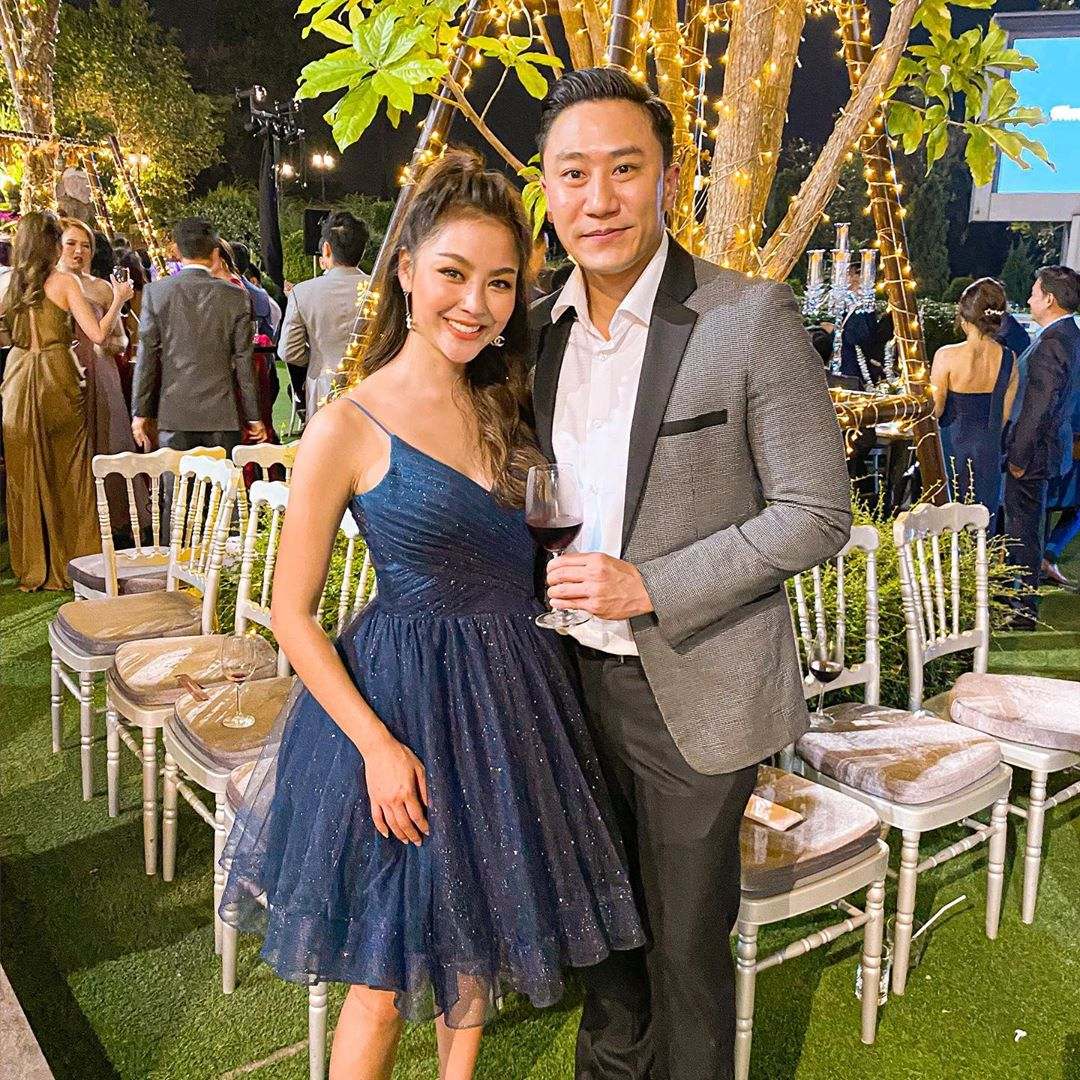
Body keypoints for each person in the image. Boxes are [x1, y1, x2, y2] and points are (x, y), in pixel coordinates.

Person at [220, 151, 643, 1080]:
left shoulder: (507, 403)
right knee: (381, 979)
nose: (476, 303)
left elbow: (535, 546)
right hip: (400, 705)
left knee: (477, 939)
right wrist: (376, 746)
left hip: (512, 701)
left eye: (500, 283)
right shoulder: (346, 425)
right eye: (454, 273)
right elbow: (291, 614)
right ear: (406, 269)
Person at [531, 69, 851, 1080]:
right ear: (547, 188)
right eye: (573, 173)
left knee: (684, 957)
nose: (599, 198)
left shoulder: (745, 317)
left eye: (624, 169)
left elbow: (817, 512)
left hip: (691, 691)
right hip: (560, 686)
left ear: (667, 179)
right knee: (604, 948)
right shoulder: (533, 332)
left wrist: (651, 584)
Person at [1, 211, 132, 590]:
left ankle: (32, 564)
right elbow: (97, 335)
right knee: (70, 469)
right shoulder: (64, 282)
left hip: (17, 376)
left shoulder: (12, 284)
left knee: (25, 470)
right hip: (57, 374)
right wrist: (118, 301)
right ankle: (76, 559)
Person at [131, 218, 266, 455]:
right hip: (221, 415)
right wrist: (254, 416)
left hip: (175, 413)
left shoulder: (156, 292)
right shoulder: (236, 296)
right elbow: (244, 362)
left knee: (176, 479)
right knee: (222, 479)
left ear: (176, 251)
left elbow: (147, 358)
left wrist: (140, 413)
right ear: (215, 253)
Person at [58, 219, 145, 536]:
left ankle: (118, 520)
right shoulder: (49, 284)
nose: (78, 251)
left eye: (85, 245)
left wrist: (103, 344)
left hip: (100, 370)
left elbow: (121, 339)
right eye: (71, 243)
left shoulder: (101, 287)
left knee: (110, 440)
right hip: (62, 371)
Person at [1005, 265, 1080, 625]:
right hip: (1049, 450)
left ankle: (1021, 608)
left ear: (1049, 299)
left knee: (1024, 532)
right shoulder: (1068, 336)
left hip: (1033, 454)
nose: (1029, 298)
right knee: (1028, 528)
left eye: (1035, 292)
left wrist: (1018, 457)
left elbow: (1039, 406)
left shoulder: (1053, 343)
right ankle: (1019, 602)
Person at [929, 277, 1019, 517]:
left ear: (964, 315)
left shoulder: (946, 356)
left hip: (952, 447)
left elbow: (935, 410)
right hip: (988, 452)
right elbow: (1003, 416)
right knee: (983, 520)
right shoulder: (1009, 359)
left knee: (948, 518)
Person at [277, 210, 369, 419]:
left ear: (326, 249)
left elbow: (288, 351)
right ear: (362, 251)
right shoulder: (380, 290)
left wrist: (316, 359)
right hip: (371, 387)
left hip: (324, 388)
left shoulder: (303, 292)